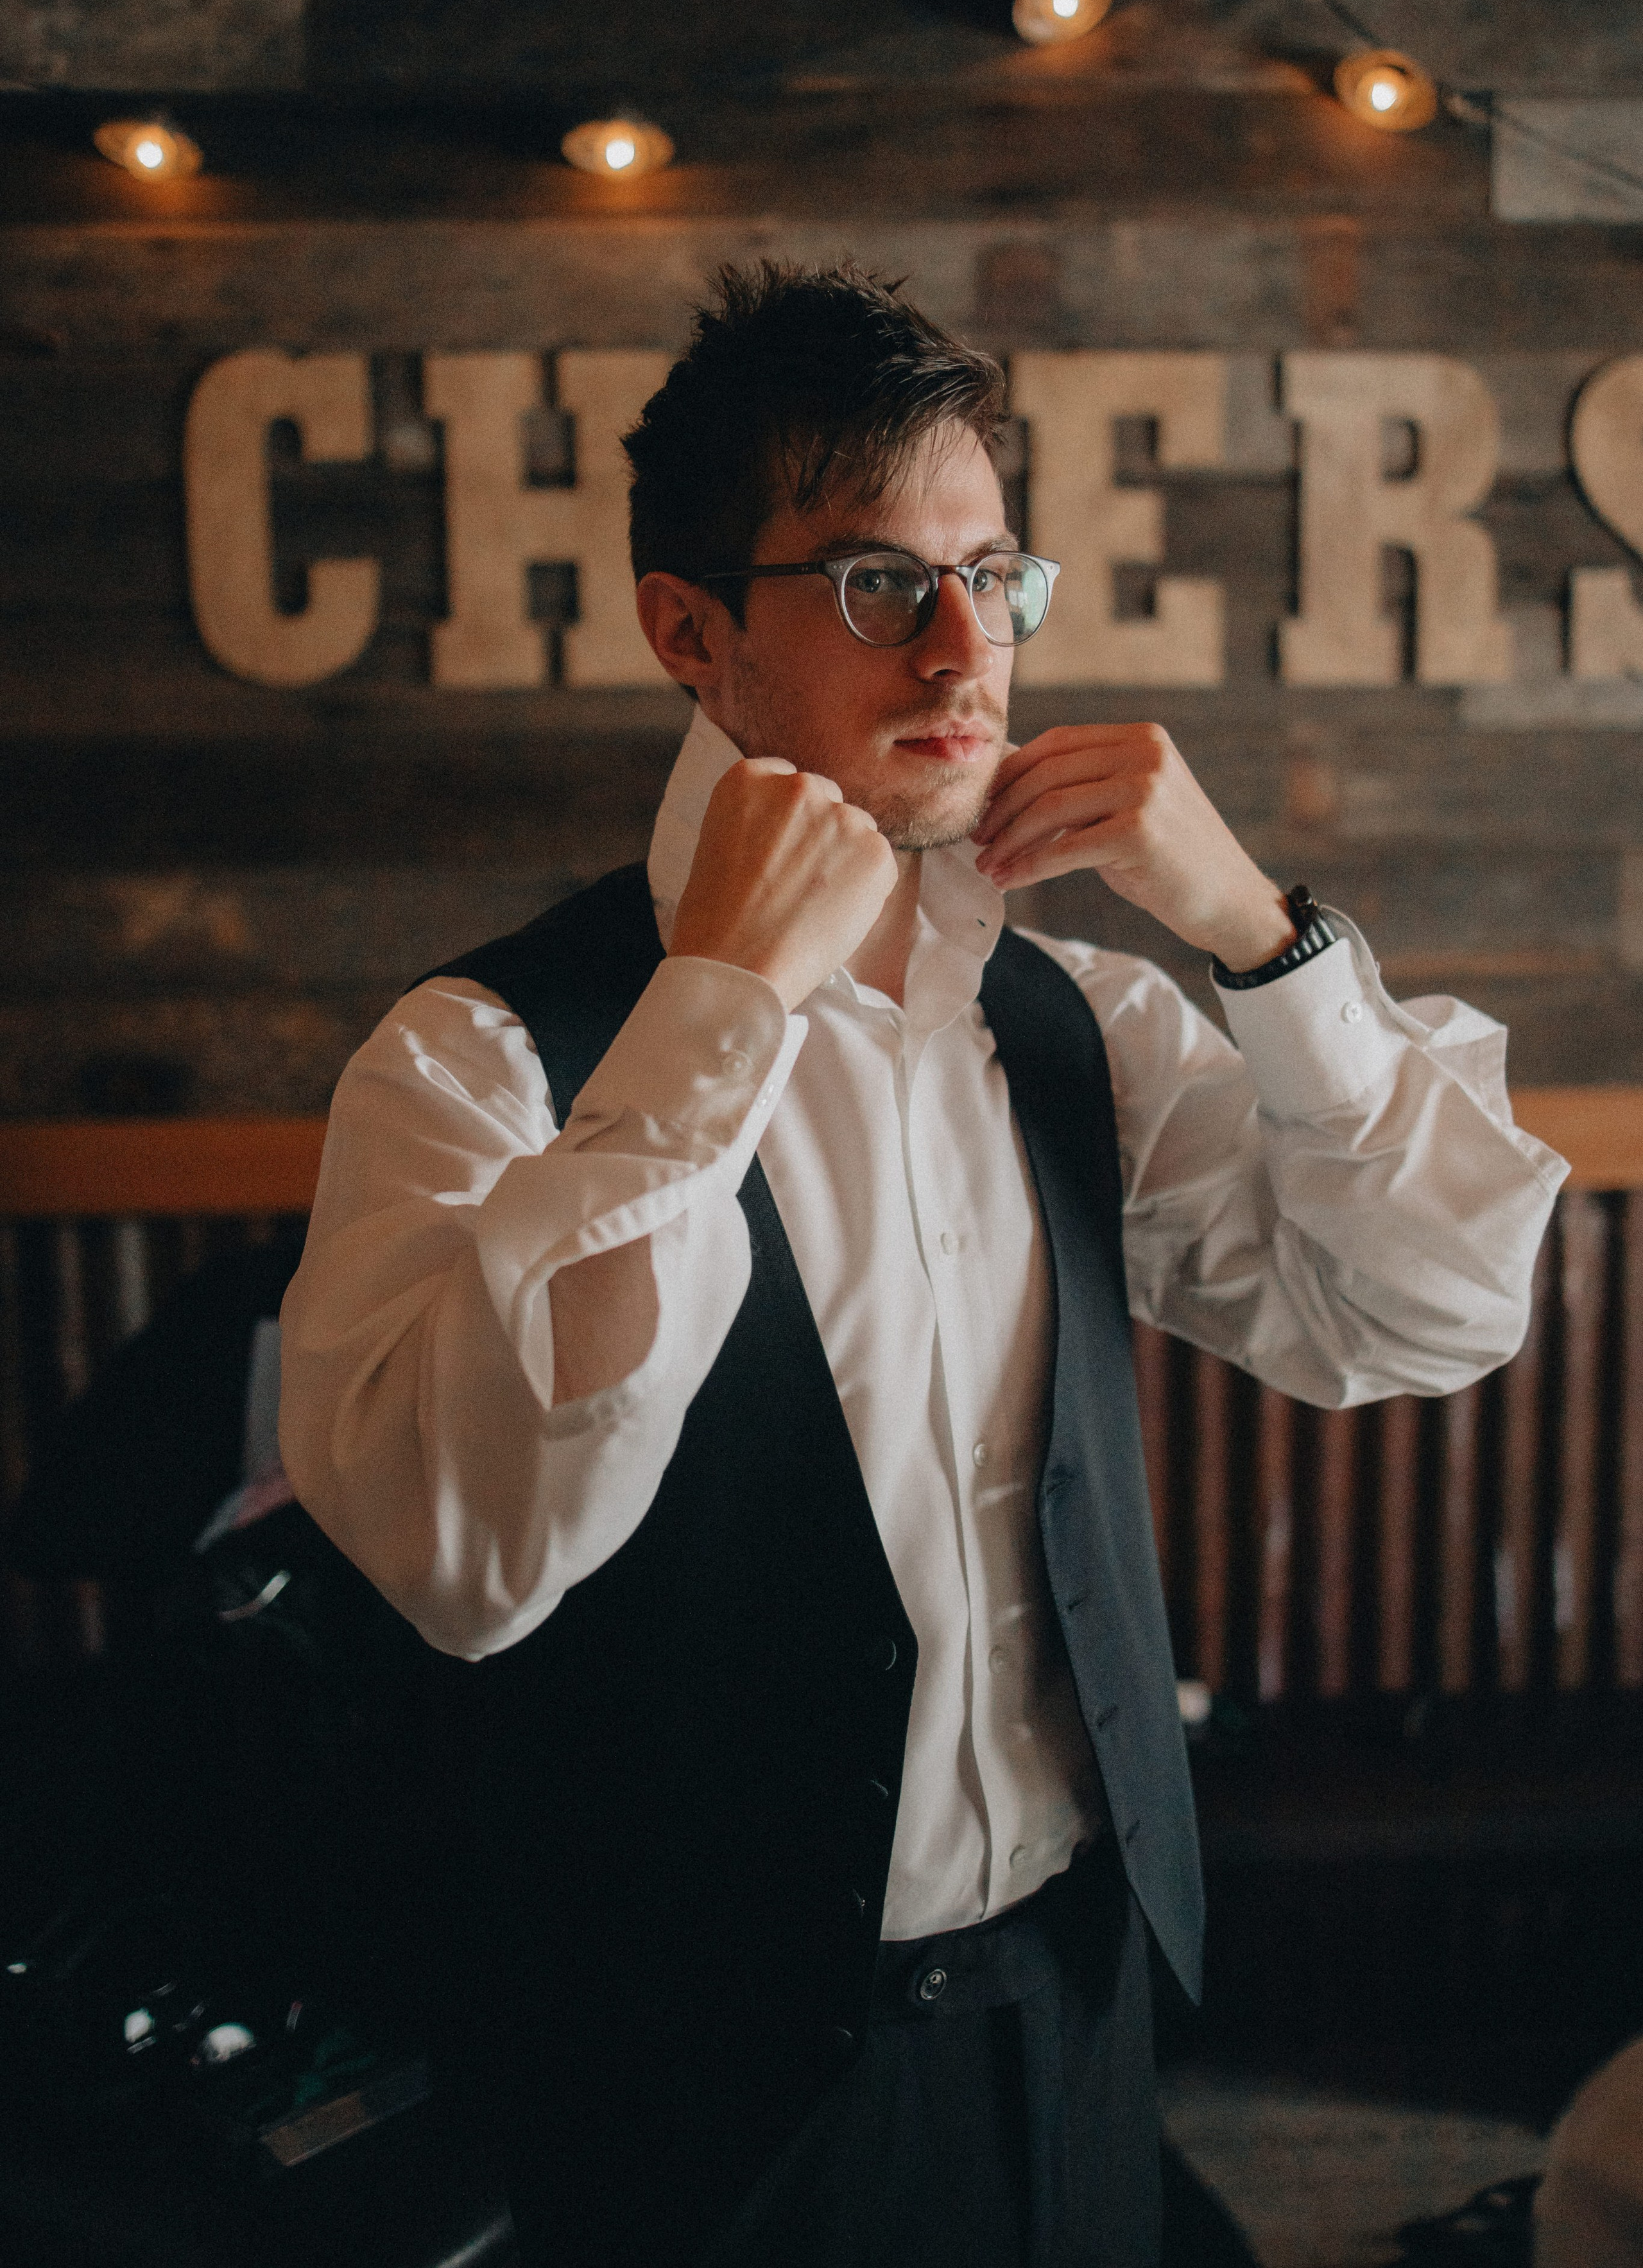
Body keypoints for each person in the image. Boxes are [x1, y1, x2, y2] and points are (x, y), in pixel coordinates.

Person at [279, 263, 1565, 2268]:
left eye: (996, 575)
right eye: (880, 583)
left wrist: (1257, 936)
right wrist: (711, 1017)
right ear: (692, 634)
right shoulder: (484, 1061)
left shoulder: (1074, 1021)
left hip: (1080, 2012)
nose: (968, 649)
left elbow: (1424, 1312)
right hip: (704, 2093)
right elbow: (466, 1553)